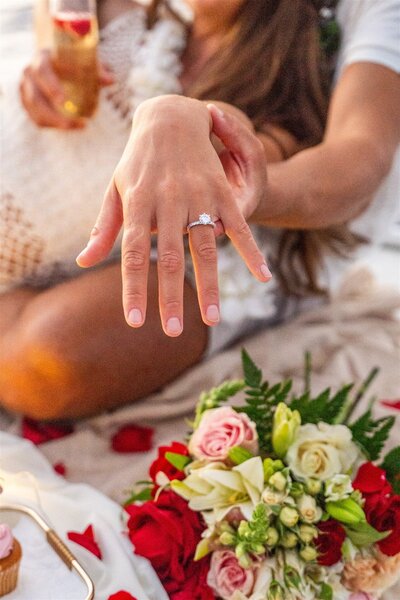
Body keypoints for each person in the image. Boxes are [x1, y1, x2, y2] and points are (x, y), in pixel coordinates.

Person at [0, 0, 399, 420]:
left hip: (270, 228)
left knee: (53, 358)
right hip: (100, 182)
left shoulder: (325, 44)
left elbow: (356, 159)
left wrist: (233, 184)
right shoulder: (148, 25)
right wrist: (51, 44)